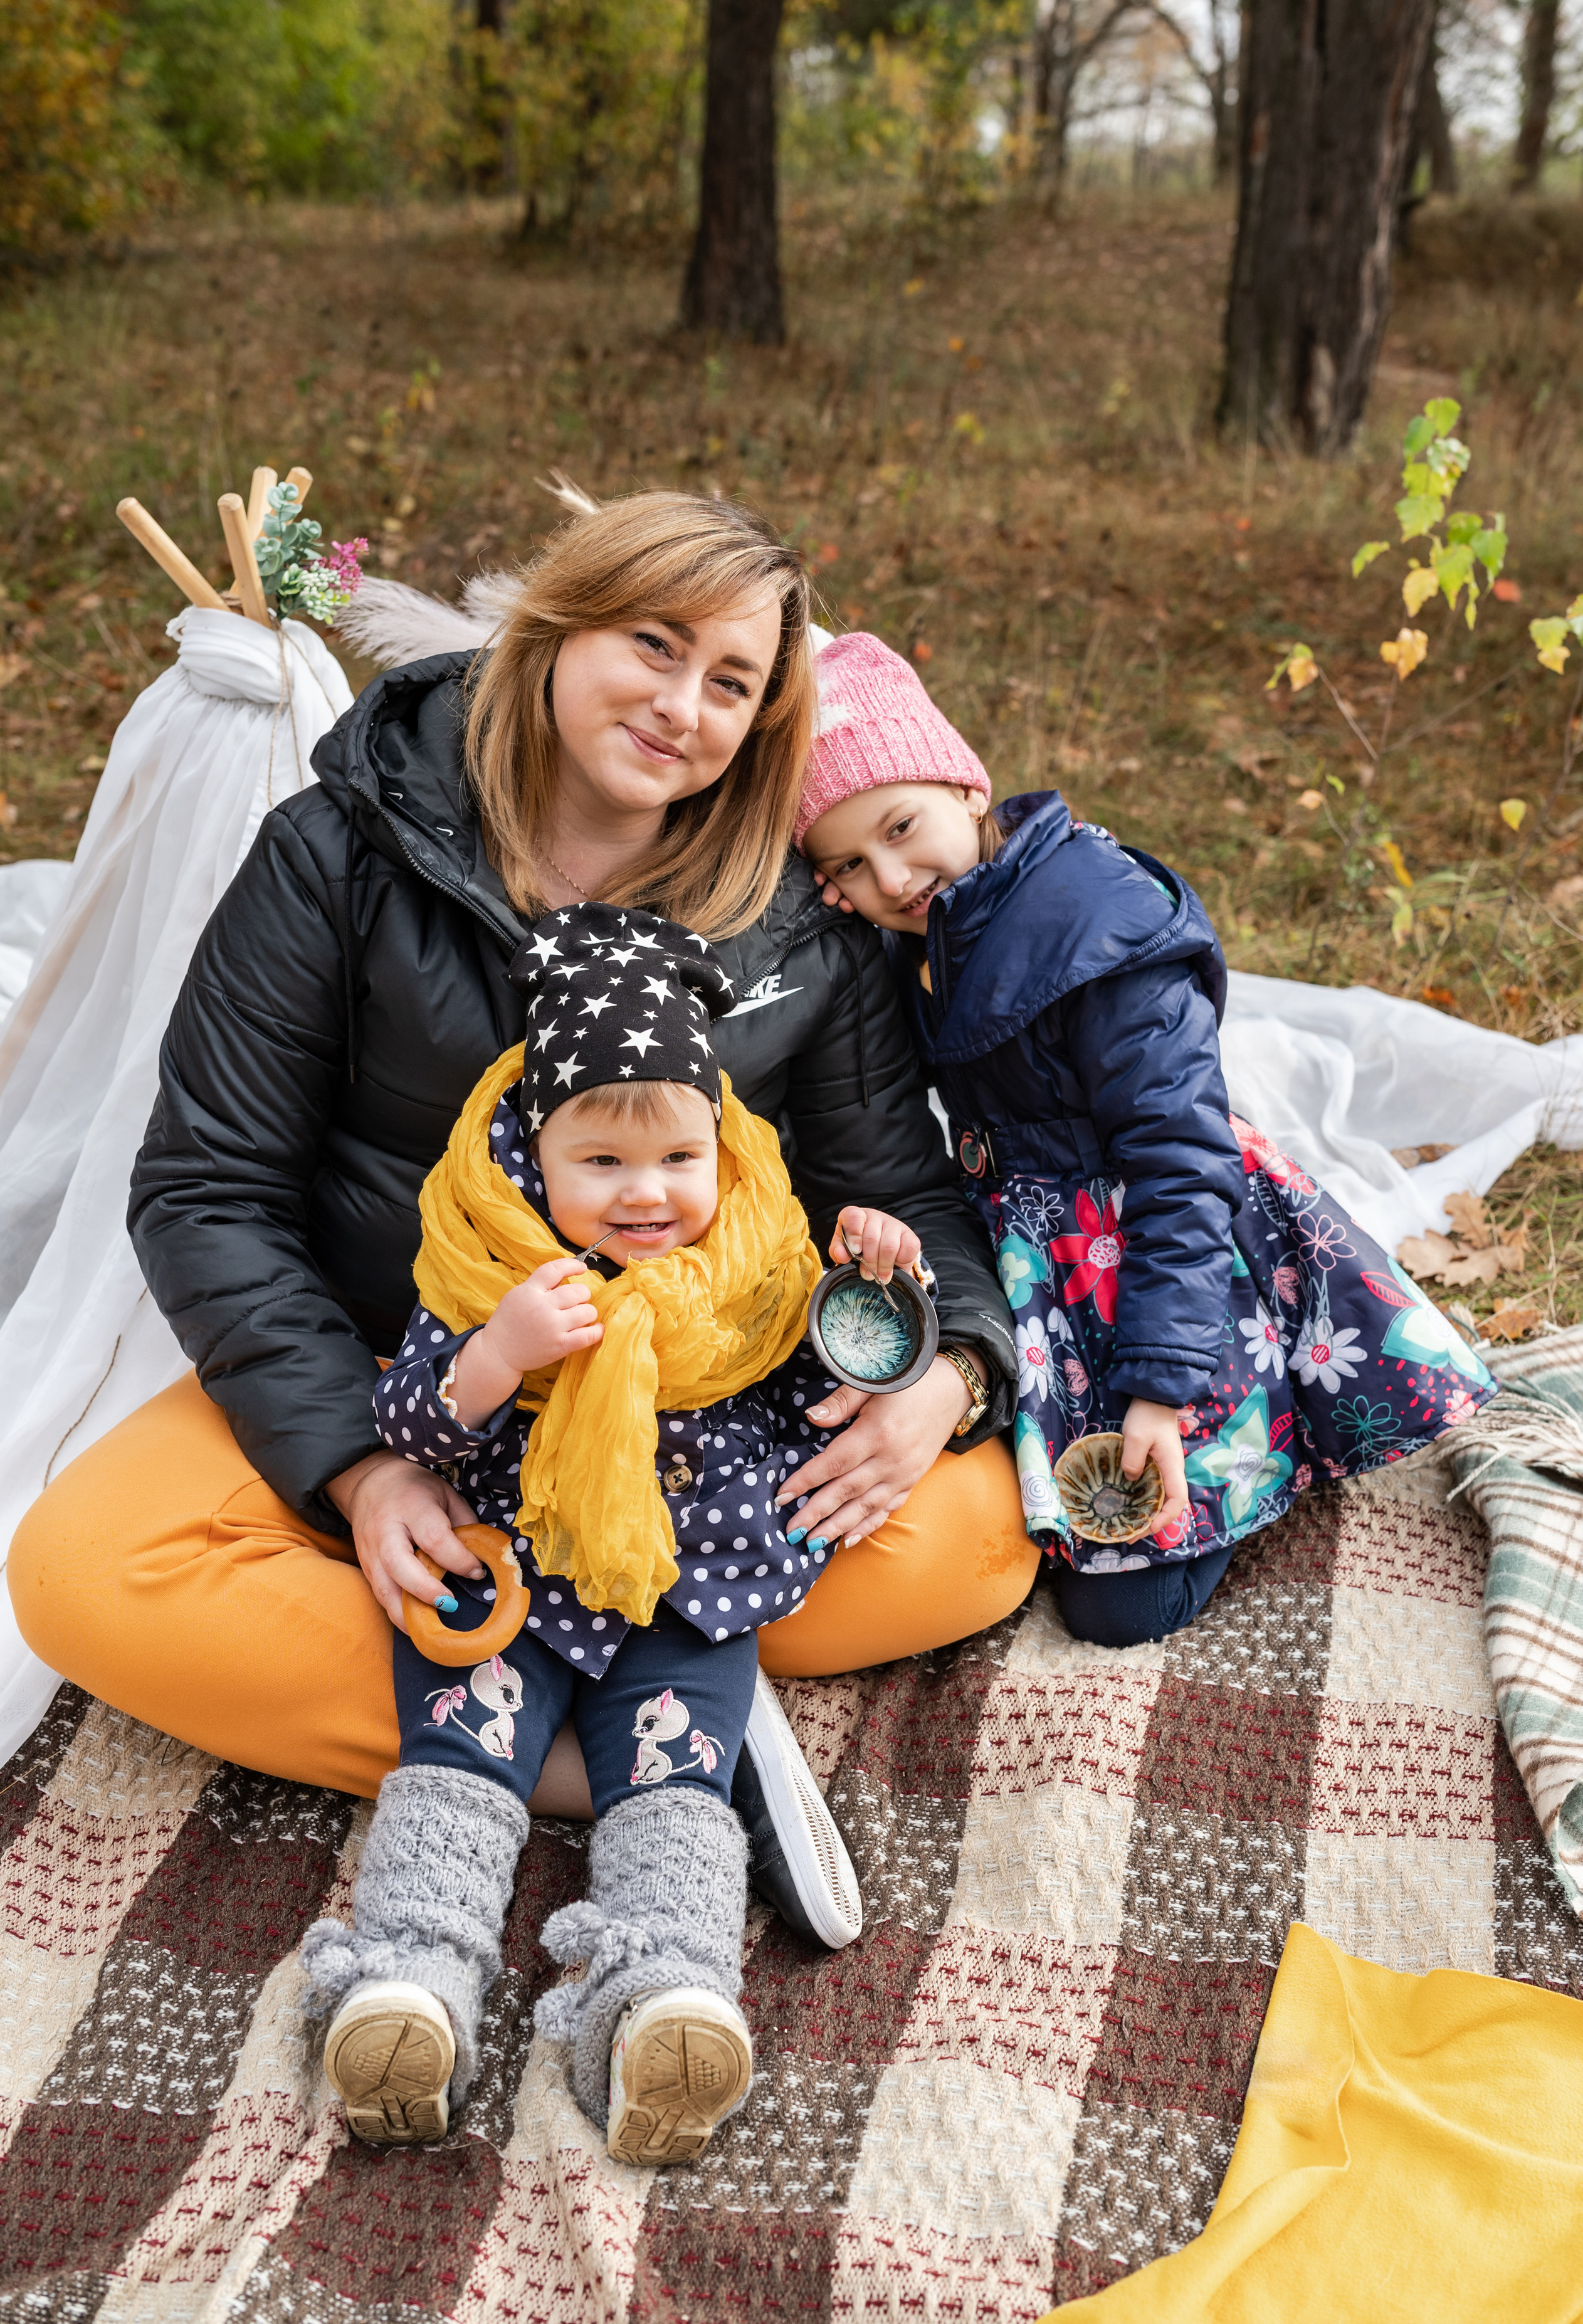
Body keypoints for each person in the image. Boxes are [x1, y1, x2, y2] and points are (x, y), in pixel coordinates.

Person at [8, 492, 1031, 1843]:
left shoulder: (802, 925)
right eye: (653, 646)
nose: (684, 705)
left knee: (976, 1539)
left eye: (731, 683)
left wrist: (945, 1375)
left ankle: (531, 1684)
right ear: (554, 630)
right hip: (409, 1368)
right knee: (88, 1572)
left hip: (701, 1421)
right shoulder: (334, 856)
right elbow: (211, 1184)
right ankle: (660, 1768)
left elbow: (900, 1193)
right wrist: (361, 1473)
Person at [307, 903, 908, 2158]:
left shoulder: (751, 1266)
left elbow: (825, 1385)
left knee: (672, 1791)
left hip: (687, 1595)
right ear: (536, 1157)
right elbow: (413, 1424)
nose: (648, 1196)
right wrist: (495, 1358)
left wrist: (875, 1287)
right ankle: (409, 1984)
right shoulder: (488, 1266)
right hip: (513, 1577)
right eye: (602, 1166)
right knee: (456, 1767)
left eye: (677, 1162)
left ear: (720, 1149)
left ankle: (665, 2007)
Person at [795, 633, 1498, 1648]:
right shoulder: (921, 932)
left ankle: (1268, 1450)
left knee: (1119, 1607)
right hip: (1049, 1268)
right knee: (1046, 1530)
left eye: (902, 827)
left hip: (1171, 1267)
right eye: (848, 867)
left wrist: (1161, 1392)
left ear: (962, 782)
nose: (893, 876)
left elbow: (1183, 1163)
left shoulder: (1099, 933)